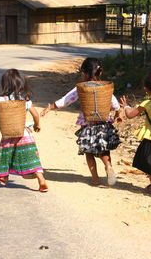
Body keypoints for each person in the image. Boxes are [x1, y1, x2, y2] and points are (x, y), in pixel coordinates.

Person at [40, 57, 121, 186]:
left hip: (88, 124)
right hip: (104, 124)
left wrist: (50, 107)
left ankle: (95, 178)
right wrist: (117, 114)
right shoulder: (105, 87)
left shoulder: (81, 88)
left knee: (88, 152)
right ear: (100, 72)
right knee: (104, 150)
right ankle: (108, 165)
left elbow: (66, 100)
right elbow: (115, 104)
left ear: (85, 73)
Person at [0, 69, 48, 192]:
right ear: (21, 83)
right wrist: (37, 125)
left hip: (8, 134)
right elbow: (35, 114)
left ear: (5, 84)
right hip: (23, 134)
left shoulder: (0, 99)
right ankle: (41, 180)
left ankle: (3, 176)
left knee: (6, 155)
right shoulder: (25, 99)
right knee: (31, 159)